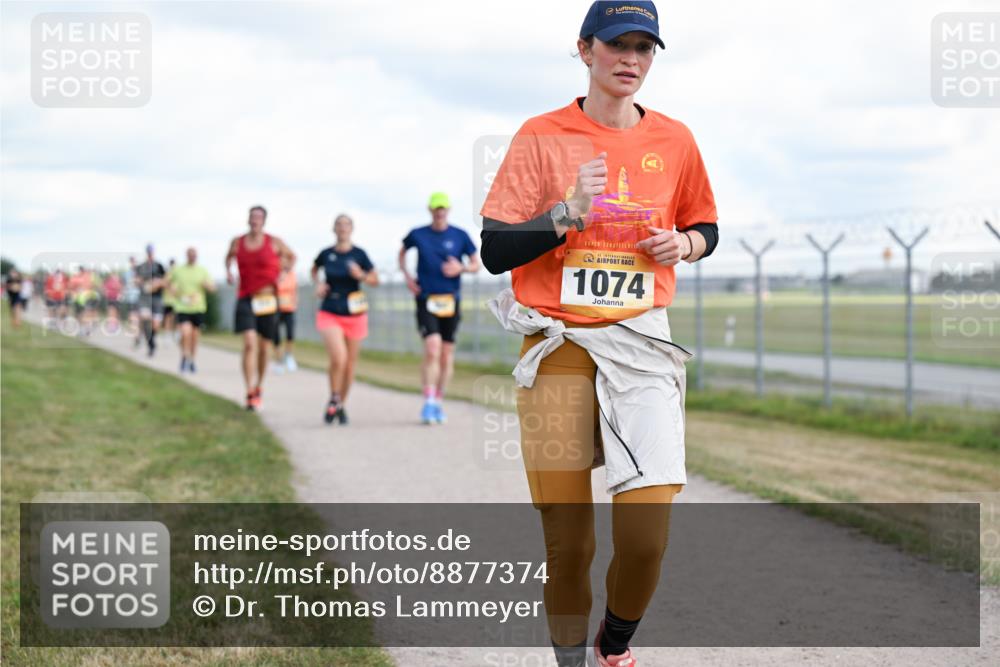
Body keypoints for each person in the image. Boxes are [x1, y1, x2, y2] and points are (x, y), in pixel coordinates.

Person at [479, 3, 719, 665]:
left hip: (640, 345)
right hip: (559, 344)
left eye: (644, 48)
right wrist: (566, 214)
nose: (631, 60)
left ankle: (614, 645)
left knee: (646, 533)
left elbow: (707, 226)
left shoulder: (675, 140)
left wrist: (687, 243)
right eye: (618, 45)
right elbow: (495, 249)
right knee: (570, 538)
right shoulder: (541, 134)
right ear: (585, 49)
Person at [398, 192, 480, 424]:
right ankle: (429, 401)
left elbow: (476, 265)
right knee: (432, 348)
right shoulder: (418, 234)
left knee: (446, 353)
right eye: (436, 208)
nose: (440, 211)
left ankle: (439, 399)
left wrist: (461, 269)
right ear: (430, 210)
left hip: (451, 300)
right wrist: (407, 277)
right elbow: (402, 252)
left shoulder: (460, 235)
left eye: (443, 207)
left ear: (448, 210)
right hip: (426, 298)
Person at [225, 205, 296, 411]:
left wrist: (283, 274)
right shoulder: (238, 242)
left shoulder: (274, 242)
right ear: (248, 219)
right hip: (246, 298)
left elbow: (292, 257)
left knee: (264, 348)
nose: (255, 220)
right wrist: (229, 272)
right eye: (252, 216)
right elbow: (228, 257)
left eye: (259, 217)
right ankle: (248, 390)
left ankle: (258, 387)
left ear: (264, 221)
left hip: (268, 299)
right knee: (249, 343)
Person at [311, 214, 379, 424]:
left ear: (352, 229)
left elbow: (375, 280)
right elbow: (314, 270)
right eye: (339, 225)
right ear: (334, 229)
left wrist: (361, 276)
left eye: (346, 225)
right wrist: (319, 284)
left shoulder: (359, 254)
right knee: (338, 358)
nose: (342, 228)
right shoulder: (326, 254)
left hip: (355, 313)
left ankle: (340, 404)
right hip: (330, 310)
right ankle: (334, 396)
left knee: (349, 364)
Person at [168, 247, 215, 373]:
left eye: (194, 255)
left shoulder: (202, 270)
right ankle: (184, 355)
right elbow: (168, 283)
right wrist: (172, 290)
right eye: (190, 255)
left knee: (194, 336)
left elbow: (212, 288)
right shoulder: (178, 270)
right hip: (182, 306)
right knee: (185, 333)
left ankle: (192, 360)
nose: (192, 257)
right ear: (186, 256)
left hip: (198, 307)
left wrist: (206, 285)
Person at [135, 244, 167, 356]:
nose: (150, 254)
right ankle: (151, 345)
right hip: (145, 298)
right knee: (145, 320)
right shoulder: (141, 267)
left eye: (151, 252)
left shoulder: (159, 266)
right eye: (148, 252)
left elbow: (165, 281)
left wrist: (157, 285)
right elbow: (136, 280)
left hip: (157, 298)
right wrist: (144, 284)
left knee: (156, 324)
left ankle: (152, 340)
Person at [275, 264, 299, 372]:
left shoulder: (292, 274)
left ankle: (288, 356)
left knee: (290, 334)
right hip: (276, 308)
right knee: (276, 336)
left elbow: (294, 289)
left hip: (289, 308)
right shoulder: (274, 273)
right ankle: (279, 361)